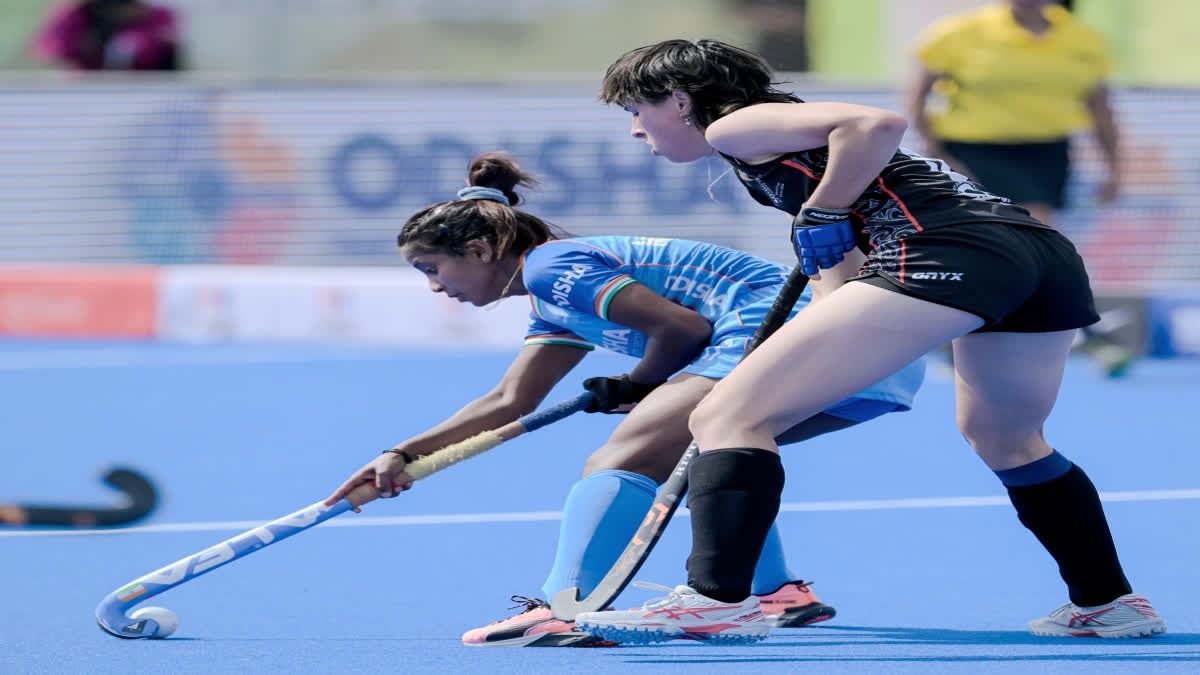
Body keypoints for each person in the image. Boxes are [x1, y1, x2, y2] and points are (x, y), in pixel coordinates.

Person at [571, 38, 1165, 644]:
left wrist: (824, 211)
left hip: (947, 252)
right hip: (1039, 258)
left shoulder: (735, 127)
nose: (636, 132)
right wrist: (792, 359)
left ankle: (715, 601)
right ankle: (1108, 601)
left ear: (678, 99)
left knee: (724, 414)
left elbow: (875, 122)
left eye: (635, 112)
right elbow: (841, 286)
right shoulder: (779, 161)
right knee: (1006, 438)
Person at [324, 152, 925, 647]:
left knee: (623, 458)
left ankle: (565, 607)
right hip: (872, 362)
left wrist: (639, 386)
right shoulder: (552, 300)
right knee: (703, 459)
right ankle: (777, 593)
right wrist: (401, 453)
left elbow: (682, 331)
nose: (435, 287)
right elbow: (511, 399)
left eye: (433, 268)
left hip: (794, 330)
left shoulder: (552, 269)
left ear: (479, 252)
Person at [906, 0, 1133, 377]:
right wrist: (939, 152)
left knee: (1018, 245)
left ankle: (966, 330)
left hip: (1047, 152)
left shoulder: (1081, 39)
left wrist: (1114, 167)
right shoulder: (960, 32)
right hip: (976, 150)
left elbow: (1100, 106)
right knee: (1032, 235)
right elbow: (918, 96)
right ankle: (1089, 333)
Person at [31, 0, 183, 72]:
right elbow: (48, 49)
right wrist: (87, 42)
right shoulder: (77, 14)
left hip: (146, 93)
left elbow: (153, 50)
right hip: (89, 93)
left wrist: (127, 38)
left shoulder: (156, 16)